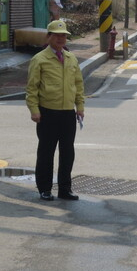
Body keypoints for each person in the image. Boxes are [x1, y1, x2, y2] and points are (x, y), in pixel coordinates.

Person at [26, 20, 85, 201]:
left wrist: (80, 107)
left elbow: (78, 85)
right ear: (49, 36)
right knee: (46, 152)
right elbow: (32, 88)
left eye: (64, 36)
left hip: (68, 113)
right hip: (47, 112)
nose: (61, 39)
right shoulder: (39, 59)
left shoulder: (71, 58)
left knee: (67, 152)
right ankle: (44, 188)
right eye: (57, 35)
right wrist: (34, 110)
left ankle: (65, 189)